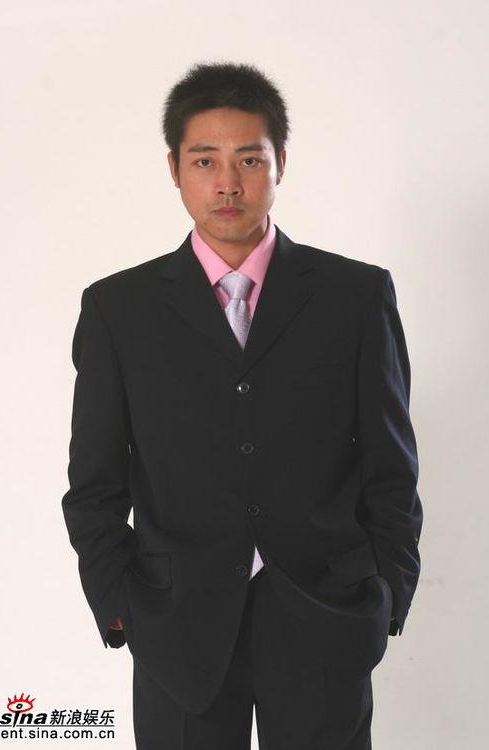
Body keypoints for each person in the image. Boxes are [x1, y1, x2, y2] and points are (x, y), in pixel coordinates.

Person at [61, 61, 423, 749]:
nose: (227, 183)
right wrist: (118, 602)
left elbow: (391, 466)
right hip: (176, 625)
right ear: (175, 169)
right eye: (205, 160)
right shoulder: (119, 309)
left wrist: (386, 593)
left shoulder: (354, 297)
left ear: (281, 162)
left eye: (249, 159)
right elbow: (95, 484)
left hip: (325, 617)